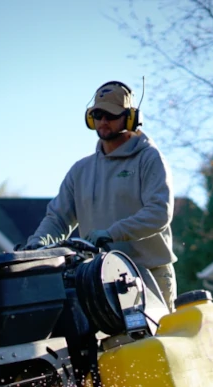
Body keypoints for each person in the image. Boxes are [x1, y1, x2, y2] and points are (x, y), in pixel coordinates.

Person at [23, 80, 177, 310]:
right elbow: (57, 219)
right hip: (98, 280)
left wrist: (111, 233)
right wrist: (36, 246)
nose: (103, 121)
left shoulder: (149, 159)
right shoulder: (81, 170)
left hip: (149, 276)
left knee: (154, 344)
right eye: (98, 114)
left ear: (131, 117)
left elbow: (159, 213)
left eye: (111, 115)